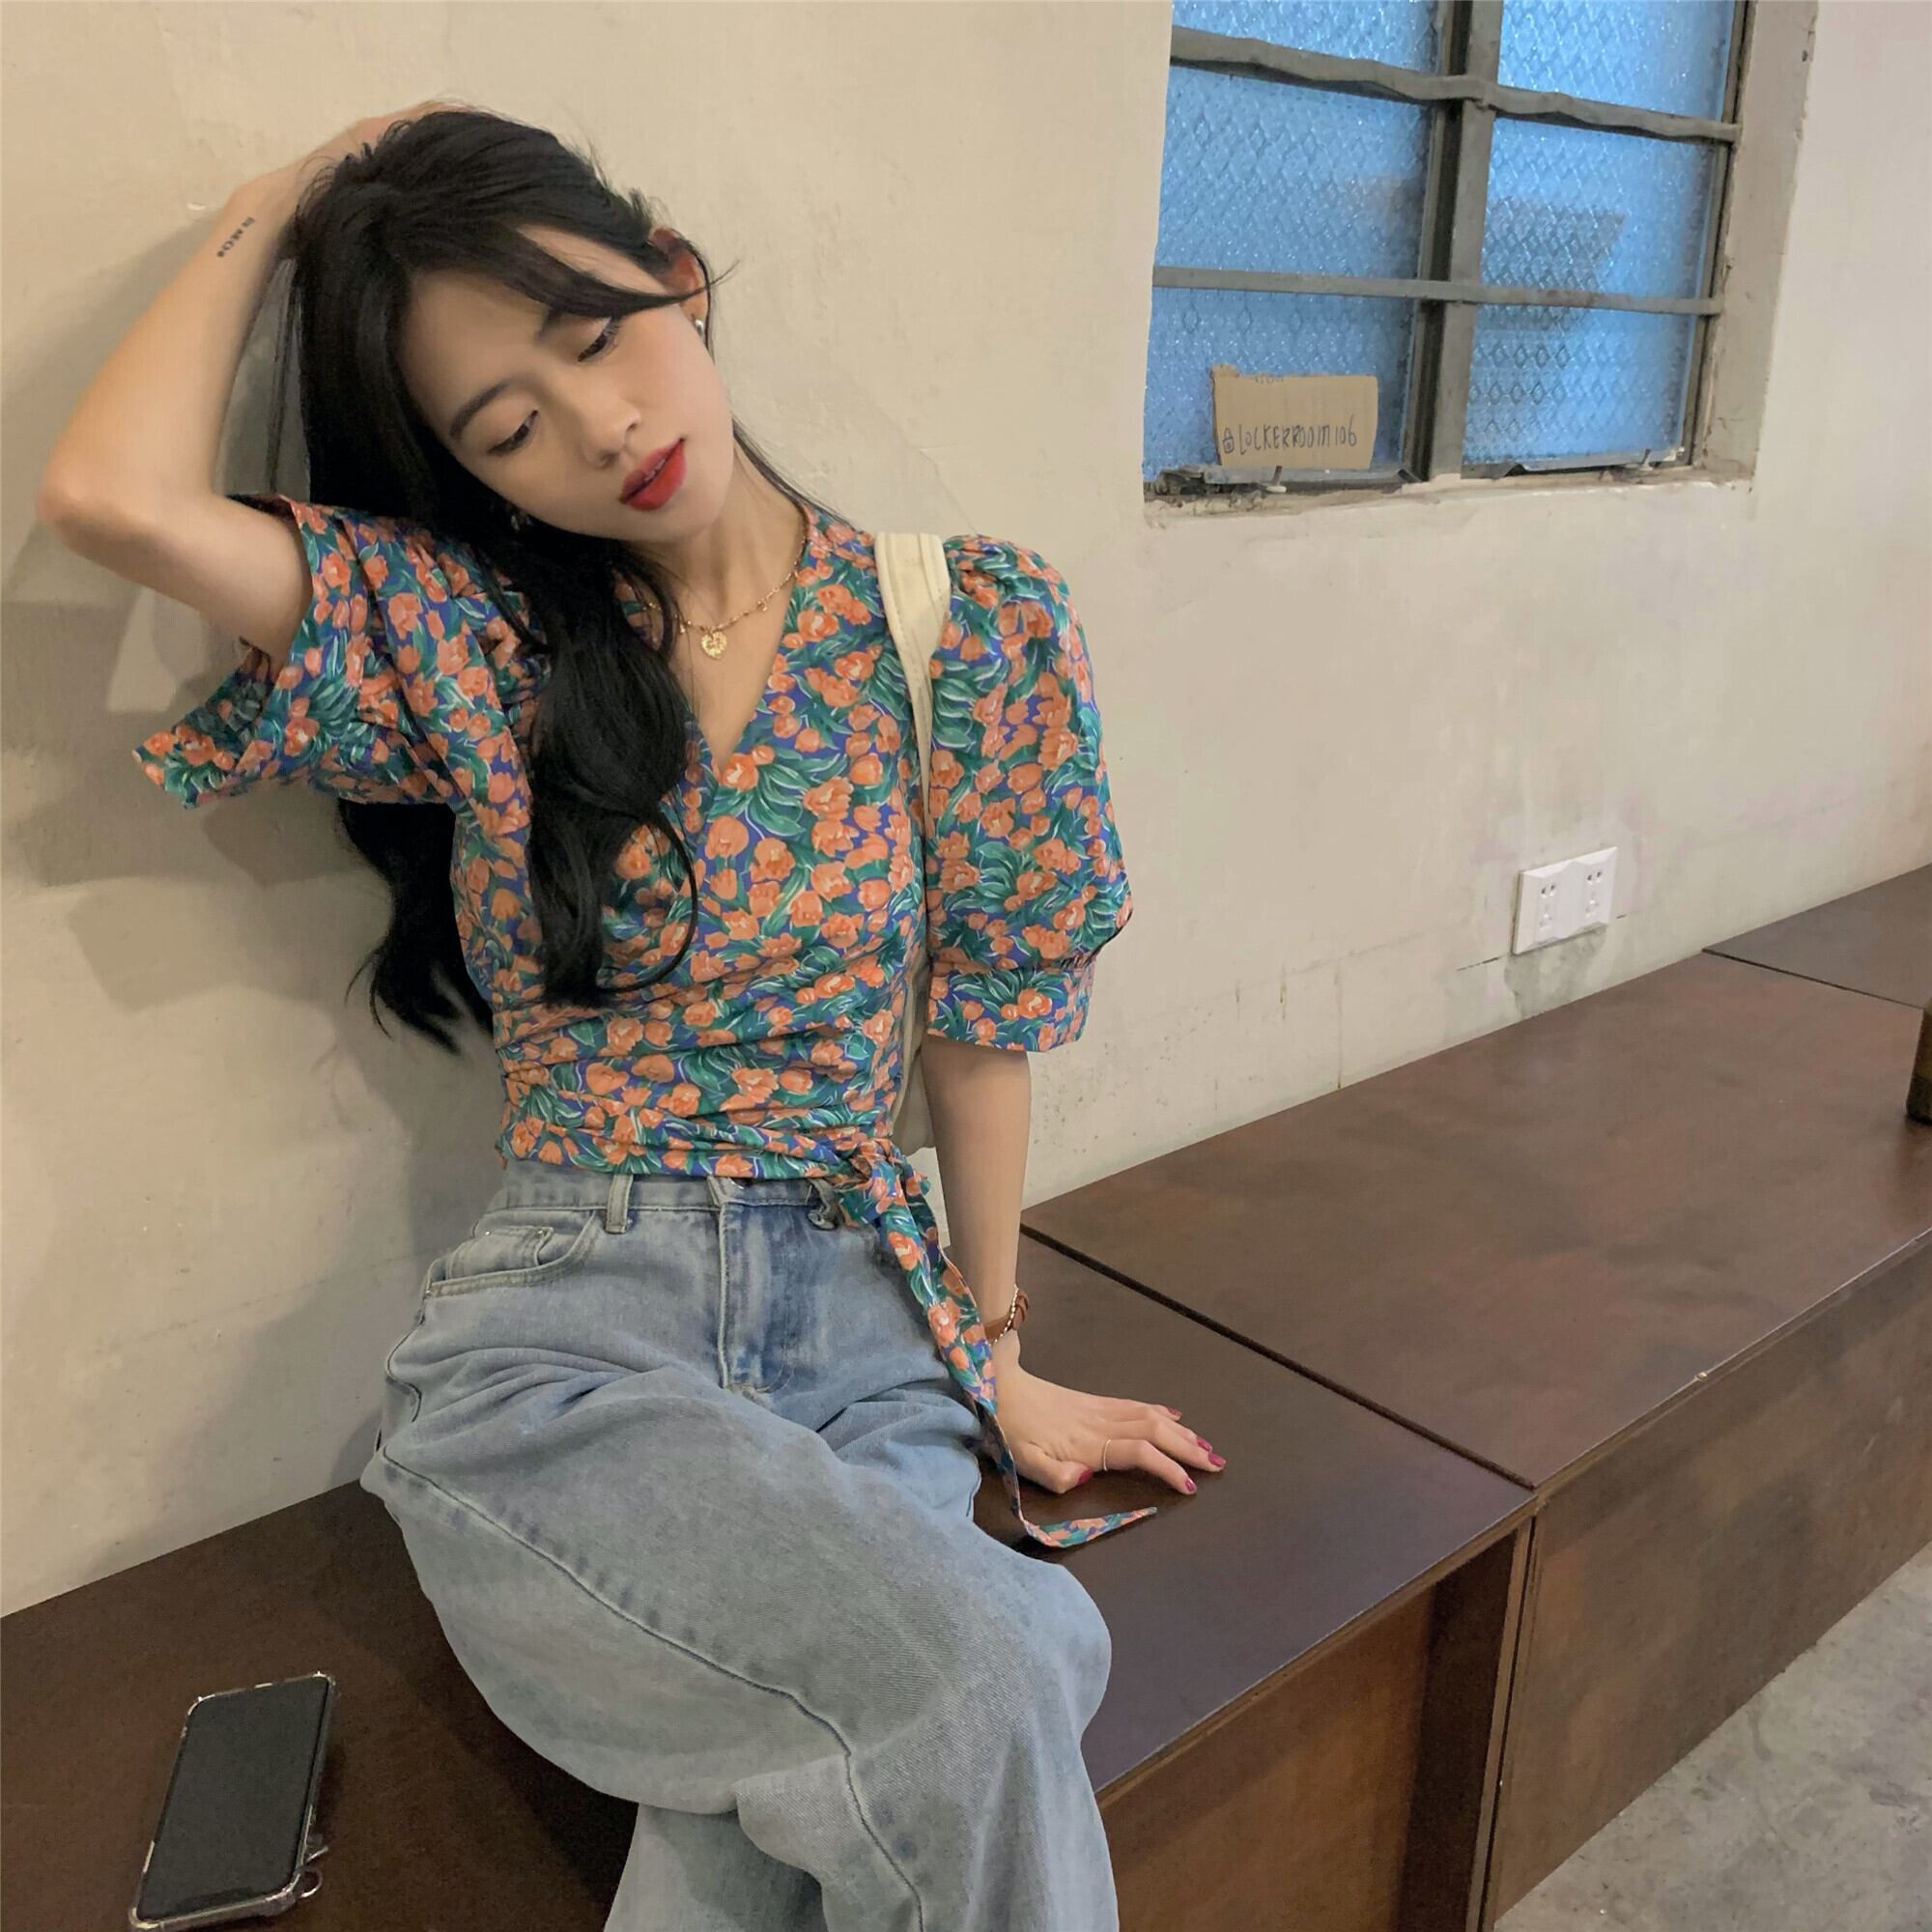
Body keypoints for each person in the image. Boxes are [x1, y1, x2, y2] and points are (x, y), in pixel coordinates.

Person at [37, 100, 1225, 1932]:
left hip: (867, 1322)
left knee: (802, 1795)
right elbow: (109, 499)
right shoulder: (479, 642)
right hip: (576, 1340)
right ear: (480, 478)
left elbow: (980, 1029)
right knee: (993, 1671)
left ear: (679, 280)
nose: (599, 426)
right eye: (508, 426)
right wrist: (284, 205)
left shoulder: (967, 628)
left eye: (595, 335)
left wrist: (992, 1353)